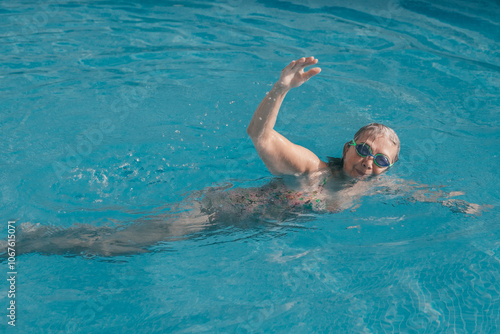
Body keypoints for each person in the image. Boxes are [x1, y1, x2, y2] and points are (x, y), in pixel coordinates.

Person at [9, 57, 481, 257]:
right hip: (215, 213)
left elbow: (422, 194)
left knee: (115, 244)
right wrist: (281, 89)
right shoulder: (313, 168)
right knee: (112, 245)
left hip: (234, 233)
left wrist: (458, 204)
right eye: (364, 149)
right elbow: (260, 135)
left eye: (381, 161)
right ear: (347, 148)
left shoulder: (378, 187)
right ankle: (24, 239)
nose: (369, 162)